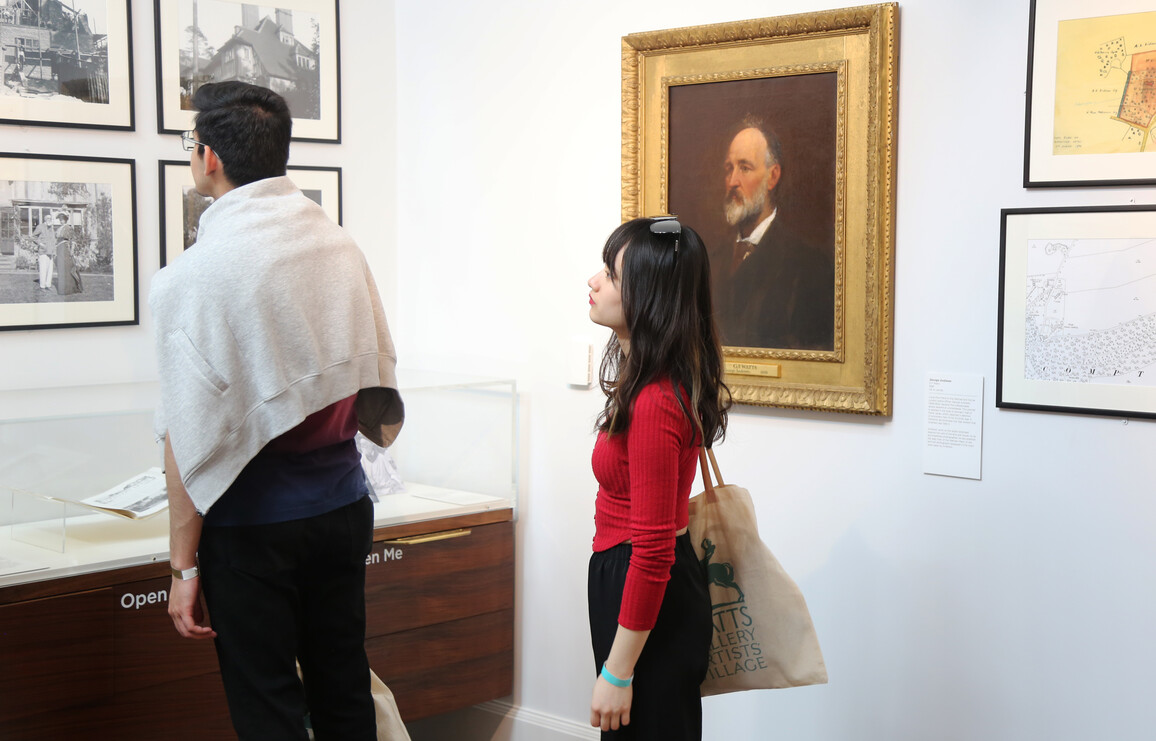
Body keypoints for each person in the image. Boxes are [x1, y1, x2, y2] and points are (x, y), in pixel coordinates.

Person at [149, 81, 404, 740]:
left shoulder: (194, 276)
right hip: (345, 508)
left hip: (253, 526)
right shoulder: (338, 246)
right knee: (345, 688)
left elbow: (188, 429)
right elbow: (372, 376)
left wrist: (184, 566)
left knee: (269, 709)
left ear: (208, 157)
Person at [586, 216, 731, 739]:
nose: (594, 281)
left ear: (649, 297)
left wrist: (617, 671)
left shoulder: (652, 401)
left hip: (645, 589)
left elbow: (652, 551)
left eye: (612, 274)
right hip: (637, 586)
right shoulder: (650, 383)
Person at [713, 115, 835, 350]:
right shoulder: (711, 261)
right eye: (729, 169)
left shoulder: (809, 266)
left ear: (773, 176)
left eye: (745, 168)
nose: (733, 181)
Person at [53, 212, 83, 295]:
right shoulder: (59, 228)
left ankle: (69, 288)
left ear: (66, 220)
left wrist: (72, 250)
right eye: (60, 219)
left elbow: (73, 240)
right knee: (61, 268)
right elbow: (56, 239)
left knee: (66, 268)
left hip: (65, 249)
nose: (61, 221)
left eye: (62, 219)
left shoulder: (68, 228)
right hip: (59, 248)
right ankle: (62, 288)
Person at [32, 215, 54, 291]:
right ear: (45, 219)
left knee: (50, 270)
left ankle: (48, 285)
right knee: (43, 269)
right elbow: (33, 237)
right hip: (43, 251)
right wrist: (40, 244)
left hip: (50, 252)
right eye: (48, 218)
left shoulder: (51, 228)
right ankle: (42, 286)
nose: (49, 220)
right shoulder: (40, 227)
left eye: (50, 218)